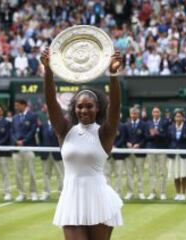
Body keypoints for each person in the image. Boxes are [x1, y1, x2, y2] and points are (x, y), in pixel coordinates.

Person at [41, 48, 123, 239]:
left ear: (98, 108)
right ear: (73, 108)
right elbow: (51, 101)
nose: (84, 110)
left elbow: (116, 107)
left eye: (89, 106)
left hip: (99, 200)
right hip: (71, 200)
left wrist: (113, 75)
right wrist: (48, 71)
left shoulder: (105, 132)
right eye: (79, 106)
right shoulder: (64, 130)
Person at [11, 99, 38, 201]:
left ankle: (33, 192)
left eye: (17, 105)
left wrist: (24, 141)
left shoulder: (33, 116)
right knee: (18, 173)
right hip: (17, 148)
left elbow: (33, 130)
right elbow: (11, 131)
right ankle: (21, 193)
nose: (16, 107)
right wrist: (16, 141)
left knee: (31, 171)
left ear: (24, 105)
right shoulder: (14, 117)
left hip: (28, 147)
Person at [167, 109, 186, 201]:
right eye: (177, 116)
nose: (178, 118)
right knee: (176, 175)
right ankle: (178, 193)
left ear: (183, 118)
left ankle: (184, 193)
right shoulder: (170, 128)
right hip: (174, 155)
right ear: (174, 118)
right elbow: (169, 141)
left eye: (180, 116)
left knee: (184, 174)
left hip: (184, 155)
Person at [145, 106, 169, 200]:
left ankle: (163, 192)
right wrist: (151, 134)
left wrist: (157, 133)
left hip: (162, 149)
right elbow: (146, 136)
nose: (155, 113)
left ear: (160, 113)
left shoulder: (165, 122)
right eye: (154, 112)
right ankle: (153, 192)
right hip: (151, 149)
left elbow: (167, 136)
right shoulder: (148, 123)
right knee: (152, 172)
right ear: (152, 113)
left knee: (163, 172)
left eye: (157, 112)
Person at [38, 117, 64, 201]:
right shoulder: (43, 125)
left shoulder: (60, 124)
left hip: (58, 154)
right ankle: (46, 193)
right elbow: (40, 138)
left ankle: (61, 193)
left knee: (60, 174)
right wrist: (42, 150)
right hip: (46, 154)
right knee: (46, 174)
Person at [124, 107, 147, 200]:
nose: (133, 115)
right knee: (129, 173)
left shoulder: (143, 124)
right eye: (132, 113)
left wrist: (139, 144)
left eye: (135, 114)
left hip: (139, 153)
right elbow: (124, 137)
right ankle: (130, 192)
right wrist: (127, 143)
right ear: (130, 114)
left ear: (138, 114)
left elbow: (145, 138)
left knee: (140, 173)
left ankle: (140, 192)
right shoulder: (126, 125)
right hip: (129, 153)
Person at [105, 114, 127, 197]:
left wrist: (115, 146)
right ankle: (108, 194)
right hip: (107, 154)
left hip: (119, 155)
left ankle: (118, 192)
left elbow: (123, 138)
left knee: (119, 174)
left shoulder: (123, 126)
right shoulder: (105, 125)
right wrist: (110, 146)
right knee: (107, 174)